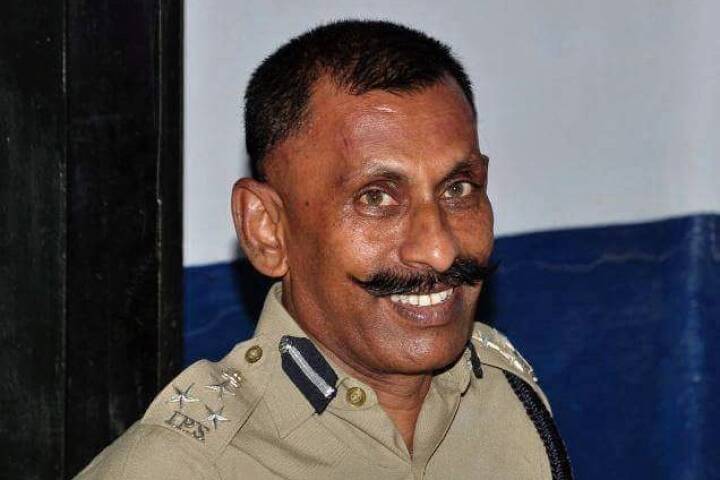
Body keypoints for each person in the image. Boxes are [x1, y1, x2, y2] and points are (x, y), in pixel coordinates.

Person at [76, 19, 573, 479]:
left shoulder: (507, 400)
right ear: (267, 229)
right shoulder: (186, 468)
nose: (439, 250)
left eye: (458, 189)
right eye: (376, 198)